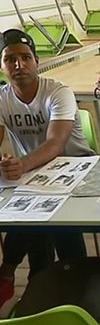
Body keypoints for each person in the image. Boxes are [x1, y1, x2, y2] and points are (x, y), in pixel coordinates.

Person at [0, 29, 91, 307]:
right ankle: (46, 287)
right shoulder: (2, 98)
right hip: (34, 175)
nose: (19, 65)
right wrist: (7, 163)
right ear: (2, 67)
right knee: (33, 215)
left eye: (25, 58)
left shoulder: (57, 92)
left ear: (37, 62)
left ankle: (13, 272)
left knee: (51, 220)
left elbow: (55, 143)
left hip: (78, 168)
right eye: (10, 59)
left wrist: (22, 164)